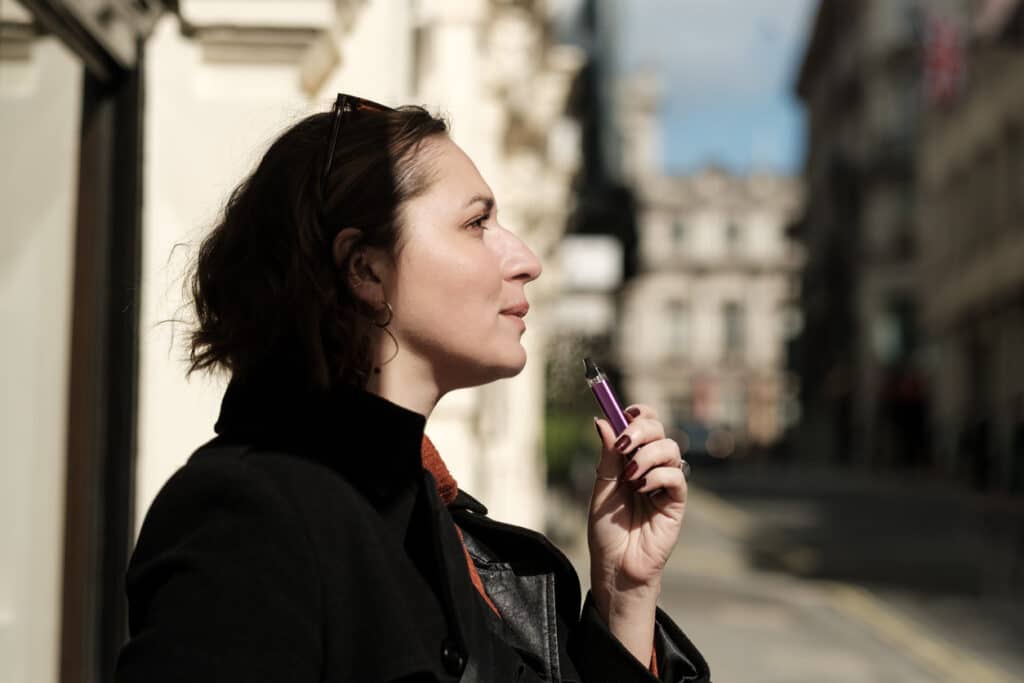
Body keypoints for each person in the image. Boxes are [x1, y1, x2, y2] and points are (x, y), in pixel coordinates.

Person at [115, 94, 711, 682]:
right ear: (367, 269)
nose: (526, 259)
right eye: (476, 223)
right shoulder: (248, 516)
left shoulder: (435, 521)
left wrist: (624, 594)